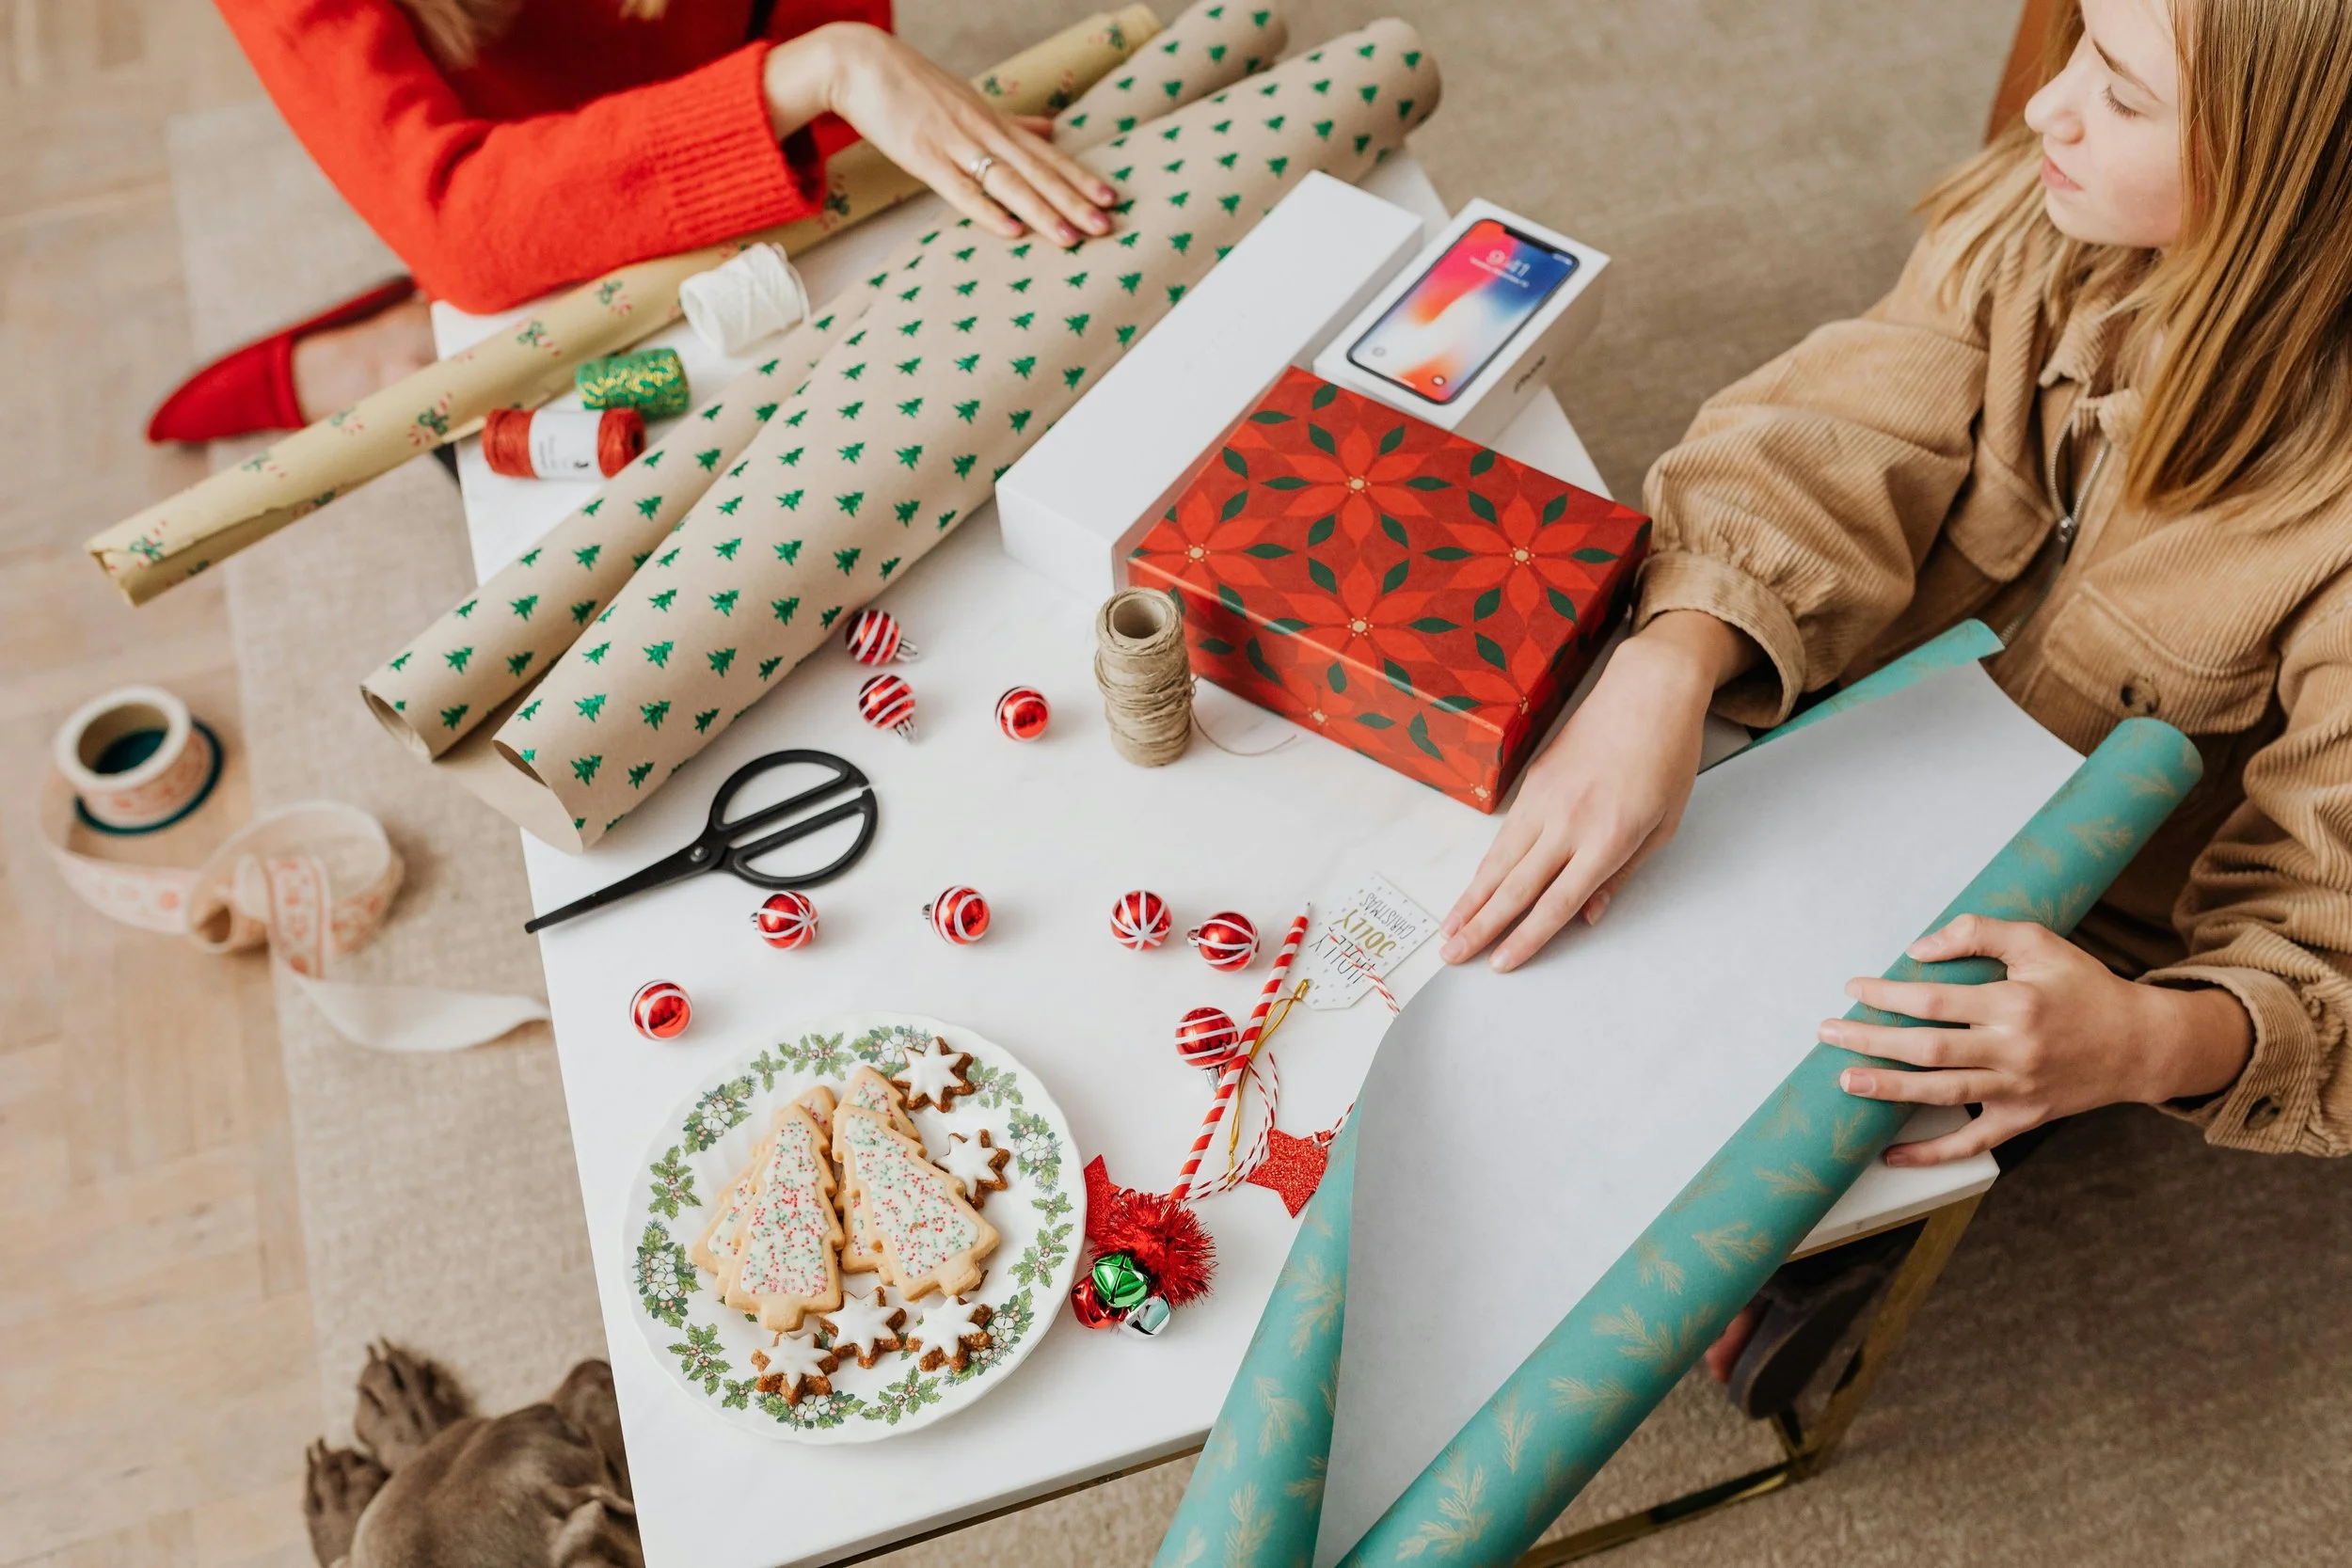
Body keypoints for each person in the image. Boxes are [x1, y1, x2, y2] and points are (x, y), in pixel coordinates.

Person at [1443, 0, 2352, 1411]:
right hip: (1846, 723)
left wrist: (2143, 1038)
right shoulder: (2047, 209)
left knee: (1742, 1156)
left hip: (2079, 918)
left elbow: (2331, 938)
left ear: (2290, 182)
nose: (2045, 109)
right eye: (2077, 44)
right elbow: (1838, 431)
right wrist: (1671, 656)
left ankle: (1833, 1262)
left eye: (2116, 93)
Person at [149, 0, 1117, 441]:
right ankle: (402, 334)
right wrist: (822, 72)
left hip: (746, 80)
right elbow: (460, 221)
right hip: (529, 174)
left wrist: (828, 105)